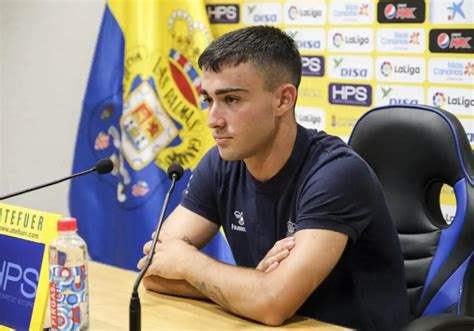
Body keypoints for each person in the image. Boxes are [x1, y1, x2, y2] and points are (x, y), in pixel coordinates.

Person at [138, 26, 409, 330]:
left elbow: (271, 305)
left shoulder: (336, 173)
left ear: (283, 100)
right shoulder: (220, 163)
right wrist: (254, 284)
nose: (213, 119)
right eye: (208, 100)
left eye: (231, 100)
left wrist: (191, 264)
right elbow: (152, 272)